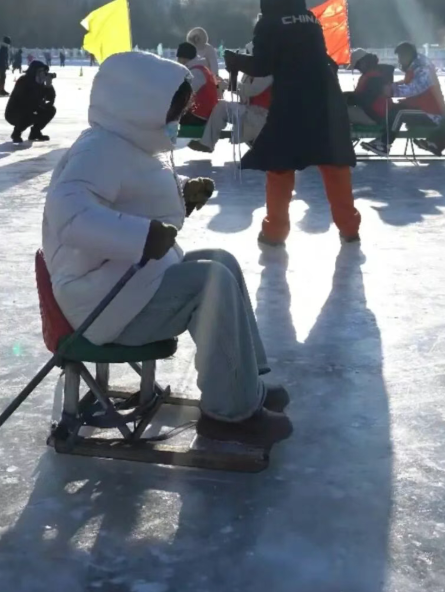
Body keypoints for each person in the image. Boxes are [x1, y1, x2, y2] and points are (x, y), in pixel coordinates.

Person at [42, 51, 293, 449]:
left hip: (125, 285)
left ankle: (245, 383)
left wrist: (181, 197)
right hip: (100, 302)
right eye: (172, 113)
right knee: (209, 283)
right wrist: (141, 236)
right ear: (140, 106)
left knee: (221, 261)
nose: (176, 121)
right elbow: (69, 214)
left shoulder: (127, 145)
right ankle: (231, 414)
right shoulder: (99, 150)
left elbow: (133, 197)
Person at [224, 0, 360, 247]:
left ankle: (274, 232)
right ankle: (349, 228)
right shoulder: (311, 20)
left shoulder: (270, 23)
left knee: (280, 166)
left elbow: (262, 66)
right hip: (327, 100)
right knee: (334, 164)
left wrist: (236, 60)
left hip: (292, 103)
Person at [362, 42, 445, 156]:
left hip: (431, 113)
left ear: (408, 55)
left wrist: (392, 91)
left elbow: (414, 88)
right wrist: (391, 86)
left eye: (401, 57)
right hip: (421, 108)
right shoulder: (414, 68)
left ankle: (384, 144)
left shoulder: (423, 69)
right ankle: (382, 140)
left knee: (399, 113)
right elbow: (407, 83)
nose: (399, 61)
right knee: (395, 109)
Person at [187, 71, 272, 153]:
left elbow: (251, 90)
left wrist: (228, 84)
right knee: (221, 107)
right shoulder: (250, 73)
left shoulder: (267, 72)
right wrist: (225, 81)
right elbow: (243, 92)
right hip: (249, 111)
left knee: (223, 107)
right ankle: (207, 143)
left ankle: (209, 141)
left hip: (261, 116)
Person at [5, 60, 56, 143]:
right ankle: (16, 133)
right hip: (14, 112)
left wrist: (48, 86)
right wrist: (38, 106)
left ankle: (35, 132)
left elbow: (50, 99)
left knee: (50, 110)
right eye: (41, 71)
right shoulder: (23, 80)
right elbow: (24, 100)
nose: (43, 74)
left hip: (32, 108)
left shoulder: (40, 82)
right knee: (28, 114)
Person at [344, 51, 395, 126]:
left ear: (363, 62)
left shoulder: (374, 78)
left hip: (374, 116)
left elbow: (366, 99)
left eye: (358, 66)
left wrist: (347, 98)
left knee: (340, 111)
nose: (359, 69)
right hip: (376, 114)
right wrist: (348, 95)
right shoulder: (377, 73)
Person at [175, 42, 219, 126]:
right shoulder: (201, 68)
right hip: (204, 114)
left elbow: (183, 95)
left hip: (199, 116)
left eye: (178, 58)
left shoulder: (195, 73)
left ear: (183, 59)